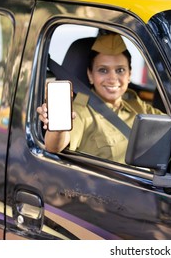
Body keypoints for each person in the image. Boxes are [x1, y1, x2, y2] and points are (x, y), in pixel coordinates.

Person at [37, 32, 163, 163]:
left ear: (129, 74)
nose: (113, 79)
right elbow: (54, 146)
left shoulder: (136, 104)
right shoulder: (80, 111)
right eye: (103, 70)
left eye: (120, 70)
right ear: (90, 75)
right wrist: (58, 129)